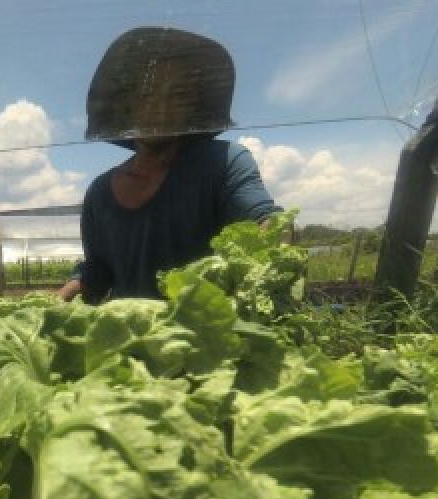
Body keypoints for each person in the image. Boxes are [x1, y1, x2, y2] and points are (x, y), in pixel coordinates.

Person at [59, 27, 281, 303]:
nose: (160, 110)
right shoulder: (100, 192)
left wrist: (265, 256)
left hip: (209, 338)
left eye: (177, 96)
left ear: (193, 107)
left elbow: (266, 226)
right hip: (129, 341)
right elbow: (99, 268)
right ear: (126, 104)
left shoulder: (224, 163)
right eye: (147, 95)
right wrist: (71, 289)